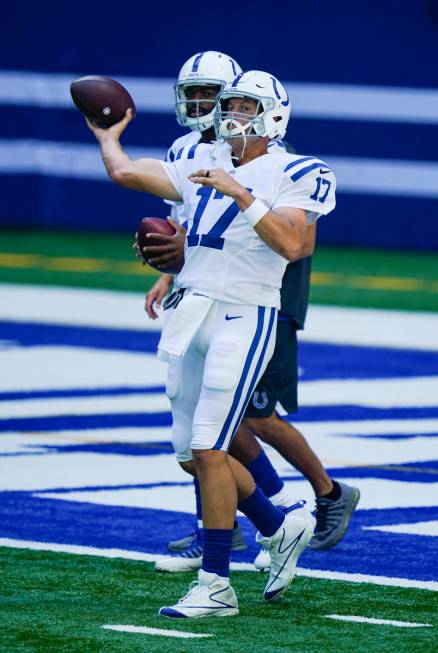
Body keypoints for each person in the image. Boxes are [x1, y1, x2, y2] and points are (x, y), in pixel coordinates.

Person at [85, 69, 336, 619]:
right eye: (232, 105)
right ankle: (280, 525)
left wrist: (242, 194)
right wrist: (107, 135)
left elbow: (293, 244)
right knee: (190, 456)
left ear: (272, 116)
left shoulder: (299, 169)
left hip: (244, 314)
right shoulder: (209, 159)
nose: (232, 115)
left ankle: (216, 585)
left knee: (209, 447)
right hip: (190, 312)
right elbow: (128, 173)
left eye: (246, 107)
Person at [142, 58, 359, 572]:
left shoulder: (281, 163)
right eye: (207, 98)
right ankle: (221, 530)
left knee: (252, 415)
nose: (213, 110)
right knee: (208, 421)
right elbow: (193, 231)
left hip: (262, 301)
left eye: (221, 98)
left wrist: (241, 204)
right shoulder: (193, 152)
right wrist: (172, 270)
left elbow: (294, 245)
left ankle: (317, 498)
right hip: (210, 295)